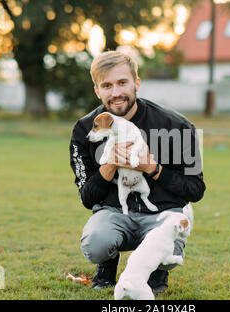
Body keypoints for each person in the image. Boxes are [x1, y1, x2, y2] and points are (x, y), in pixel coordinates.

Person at [69, 50, 206, 293]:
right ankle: (106, 267)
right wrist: (109, 165)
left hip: (161, 213)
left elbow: (195, 189)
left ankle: (156, 271)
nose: (116, 93)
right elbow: (86, 198)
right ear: (97, 91)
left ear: (136, 83)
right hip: (114, 212)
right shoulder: (84, 130)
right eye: (107, 85)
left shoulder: (178, 127)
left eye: (123, 82)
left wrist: (151, 167)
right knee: (95, 242)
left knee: (170, 246)